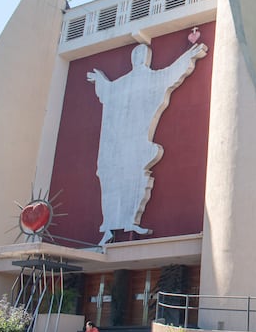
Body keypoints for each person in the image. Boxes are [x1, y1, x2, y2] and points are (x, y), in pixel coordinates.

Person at [87, 42, 208, 245]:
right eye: (136, 54)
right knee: (111, 181)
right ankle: (109, 225)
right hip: (116, 146)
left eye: (141, 54)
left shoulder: (152, 79)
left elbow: (172, 73)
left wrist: (189, 55)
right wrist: (100, 80)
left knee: (136, 178)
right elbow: (108, 92)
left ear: (146, 58)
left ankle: (129, 221)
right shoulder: (122, 84)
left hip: (136, 142)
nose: (138, 57)